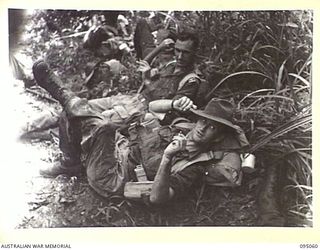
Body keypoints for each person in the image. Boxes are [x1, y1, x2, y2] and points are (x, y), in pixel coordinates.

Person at [32, 30, 201, 179]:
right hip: (129, 98)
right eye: (177, 50)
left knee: (82, 118)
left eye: (185, 53)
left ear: (194, 53)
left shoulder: (191, 80)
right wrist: (157, 57)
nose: (179, 56)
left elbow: (172, 107)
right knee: (79, 106)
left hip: (139, 112)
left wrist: (166, 99)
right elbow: (142, 67)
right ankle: (24, 127)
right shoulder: (170, 65)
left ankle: (69, 161)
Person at [148, 98, 249, 204]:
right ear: (197, 120)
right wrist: (174, 104)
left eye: (212, 127)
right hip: (132, 142)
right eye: (203, 121)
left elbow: (156, 198)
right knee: (148, 117)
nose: (203, 128)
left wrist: (167, 158)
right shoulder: (181, 125)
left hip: (131, 173)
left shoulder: (196, 166)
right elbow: (152, 107)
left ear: (217, 138)